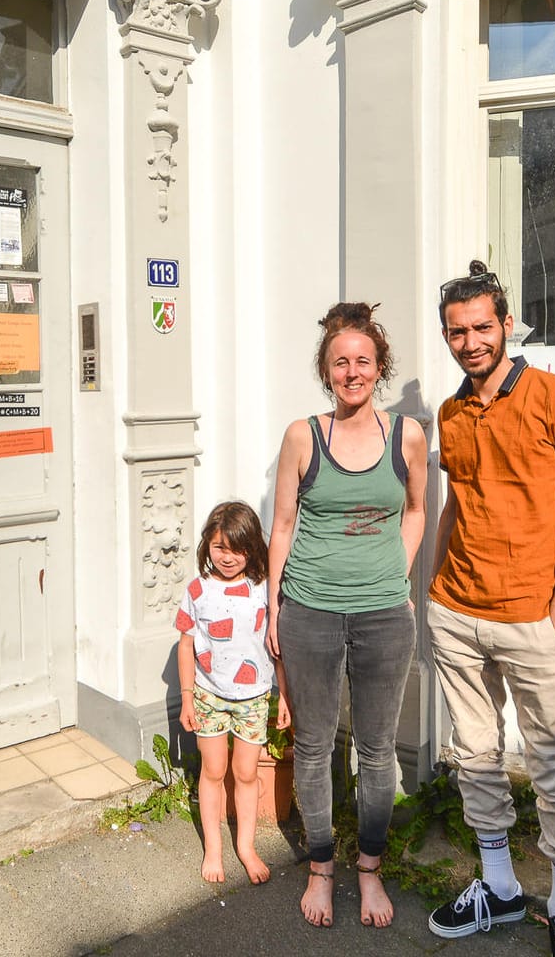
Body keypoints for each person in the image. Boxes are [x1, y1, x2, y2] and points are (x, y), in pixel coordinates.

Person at [423, 263, 555, 957]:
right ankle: (498, 887)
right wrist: (435, 591)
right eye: (456, 332)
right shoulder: (451, 412)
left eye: (480, 327)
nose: (469, 341)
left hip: (532, 616)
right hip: (458, 611)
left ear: (505, 324)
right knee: (475, 754)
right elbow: (458, 507)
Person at [267, 302, 428, 929]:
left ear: (379, 366)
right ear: (326, 371)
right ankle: (320, 869)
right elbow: (282, 526)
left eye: (363, 361)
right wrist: (276, 607)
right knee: (312, 747)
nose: (352, 372)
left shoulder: (407, 436)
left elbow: (415, 511)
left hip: (384, 613)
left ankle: (369, 871)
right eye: (341, 362)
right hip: (309, 608)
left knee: (378, 748)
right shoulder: (302, 436)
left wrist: (399, 572)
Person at [175, 501, 286, 885]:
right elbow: (186, 644)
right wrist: (188, 697)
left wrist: (283, 695)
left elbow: (276, 643)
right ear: (207, 544)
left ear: (253, 547)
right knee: (213, 770)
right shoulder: (197, 590)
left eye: (237, 548)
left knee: (245, 772)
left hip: (254, 697)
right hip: (209, 695)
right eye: (220, 547)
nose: (228, 557)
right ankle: (214, 849)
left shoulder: (263, 589)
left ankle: (246, 847)